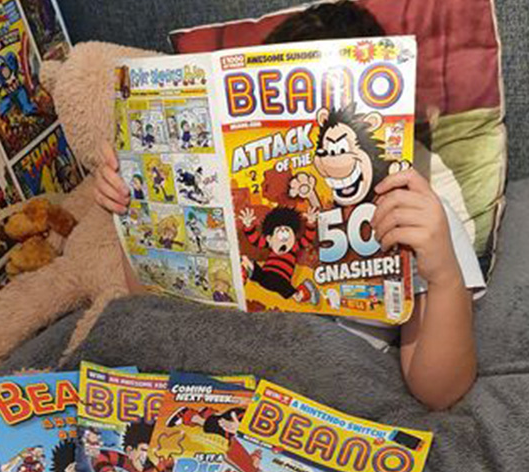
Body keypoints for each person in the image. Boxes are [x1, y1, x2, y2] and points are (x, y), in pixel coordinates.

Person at [93, 1, 484, 411]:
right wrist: (134, 212)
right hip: (217, 370)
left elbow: (439, 391)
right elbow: (152, 308)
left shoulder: (417, 213)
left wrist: (443, 277)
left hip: (320, 390)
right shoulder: (250, 198)